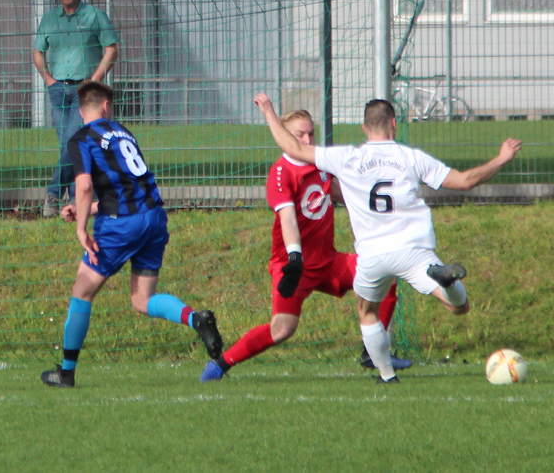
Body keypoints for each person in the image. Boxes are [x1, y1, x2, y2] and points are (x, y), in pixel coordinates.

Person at [255, 95, 522, 383]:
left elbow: (292, 147)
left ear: (363, 128)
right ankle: (448, 282)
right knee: (459, 307)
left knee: (366, 311)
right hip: (415, 251)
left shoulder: (346, 157)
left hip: (372, 256)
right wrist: (500, 159)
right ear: (394, 124)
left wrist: (269, 113)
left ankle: (386, 375)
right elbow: (465, 181)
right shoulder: (411, 157)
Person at [200, 109, 410, 382]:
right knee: (282, 329)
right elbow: (287, 219)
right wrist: (295, 258)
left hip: (328, 261)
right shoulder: (280, 172)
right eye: (301, 134)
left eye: (311, 133)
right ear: (287, 137)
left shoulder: (321, 163)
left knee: (387, 273)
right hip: (293, 265)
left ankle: (374, 353)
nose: (308, 139)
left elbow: (340, 193)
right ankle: (221, 364)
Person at [41, 81, 222, 388]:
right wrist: (88, 209)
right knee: (142, 299)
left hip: (121, 225)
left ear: (83, 108)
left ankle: (67, 373)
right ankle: (196, 319)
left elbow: (83, 185)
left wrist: (81, 227)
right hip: (153, 217)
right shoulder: (122, 132)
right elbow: (126, 187)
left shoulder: (82, 138)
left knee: (82, 290)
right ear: (106, 106)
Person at [33, 0, 119, 218]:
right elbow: (37, 50)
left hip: (84, 90)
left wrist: (93, 81)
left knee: (73, 140)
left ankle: (52, 194)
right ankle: (74, 199)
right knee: (69, 145)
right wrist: (48, 78)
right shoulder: (49, 19)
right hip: (58, 89)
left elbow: (111, 49)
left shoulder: (94, 15)